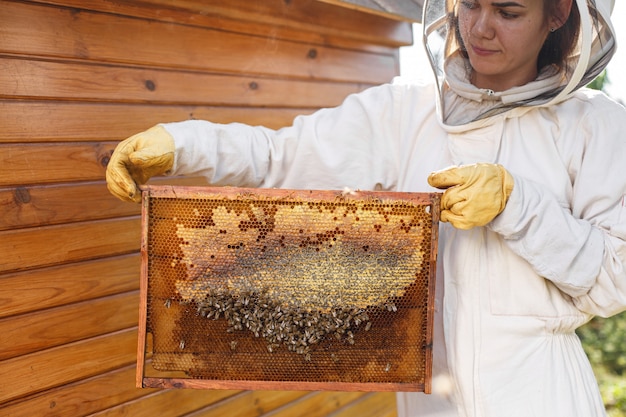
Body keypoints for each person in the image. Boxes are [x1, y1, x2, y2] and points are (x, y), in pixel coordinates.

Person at [106, 0, 625, 415]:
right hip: (427, 402)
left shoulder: (594, 127)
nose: (480, 28)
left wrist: (519, 206)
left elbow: (615, 278)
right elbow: (279, 156)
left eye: (508, 12)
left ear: (557, 15)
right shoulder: (401, 114)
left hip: (541, 397)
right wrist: (183, 143)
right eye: (469, 5)